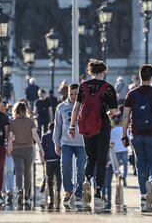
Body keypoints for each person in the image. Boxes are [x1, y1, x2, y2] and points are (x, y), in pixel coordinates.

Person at [69, 59, 118, 212]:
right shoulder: (109, 88)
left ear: (90, 72)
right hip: (102, 127)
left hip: (87, 127)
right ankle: (97, 194)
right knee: (101, 160)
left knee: (90, 158)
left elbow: (76, 108)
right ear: (104, 71)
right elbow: (114, 112)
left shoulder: (83, 87)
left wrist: (71, 126)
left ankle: (87, 180)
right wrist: (106, 112)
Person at [122, 64, 152, 213]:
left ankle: (143, 195)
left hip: (136, 134)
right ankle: (151, 180)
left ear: (140, 75)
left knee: (140, 164)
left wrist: (124, 134)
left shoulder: (131, 94)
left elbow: (125, 116)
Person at [53, 83, 86, 209]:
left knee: (81, 169)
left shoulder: (84, 106)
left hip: (82, 142)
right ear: (67, 94)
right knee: (65, 165)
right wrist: (56, 143)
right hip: (66, 142)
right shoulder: (61, 107)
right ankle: (68, 190)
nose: (73, 97)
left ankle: (78, 193)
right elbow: (57, 126)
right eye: (71, 94)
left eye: (76, 94)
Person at [7, 101, 44, 210]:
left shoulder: (12, 122)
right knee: (27, 172)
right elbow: (35, 135)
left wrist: (9, 147)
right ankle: (27, 194)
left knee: (18, 171)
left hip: (17, 149)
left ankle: (19, 190)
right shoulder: (30, 121)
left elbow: (10, 137)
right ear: (25, 110)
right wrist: (40, 148)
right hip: (28, 149)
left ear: (15, 110)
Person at [41, 122, 61, 211]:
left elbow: (41, 149)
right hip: (57, 160)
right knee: (59, 178)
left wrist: (42, 159)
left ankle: (51, 197)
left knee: (49, 179)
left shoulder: (45, 136)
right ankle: (58, 193)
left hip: (48, 161)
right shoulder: (59, 135)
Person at [110, 118, 129, 186]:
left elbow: (111, 143)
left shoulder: (112, 131)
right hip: (124, 149)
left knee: (116, 166)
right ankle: (124, 179)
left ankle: (117, 178)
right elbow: (128, 140)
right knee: (125, 165)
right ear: (120, 123)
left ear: (114, 123)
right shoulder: (124, 130)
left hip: (116, 150)